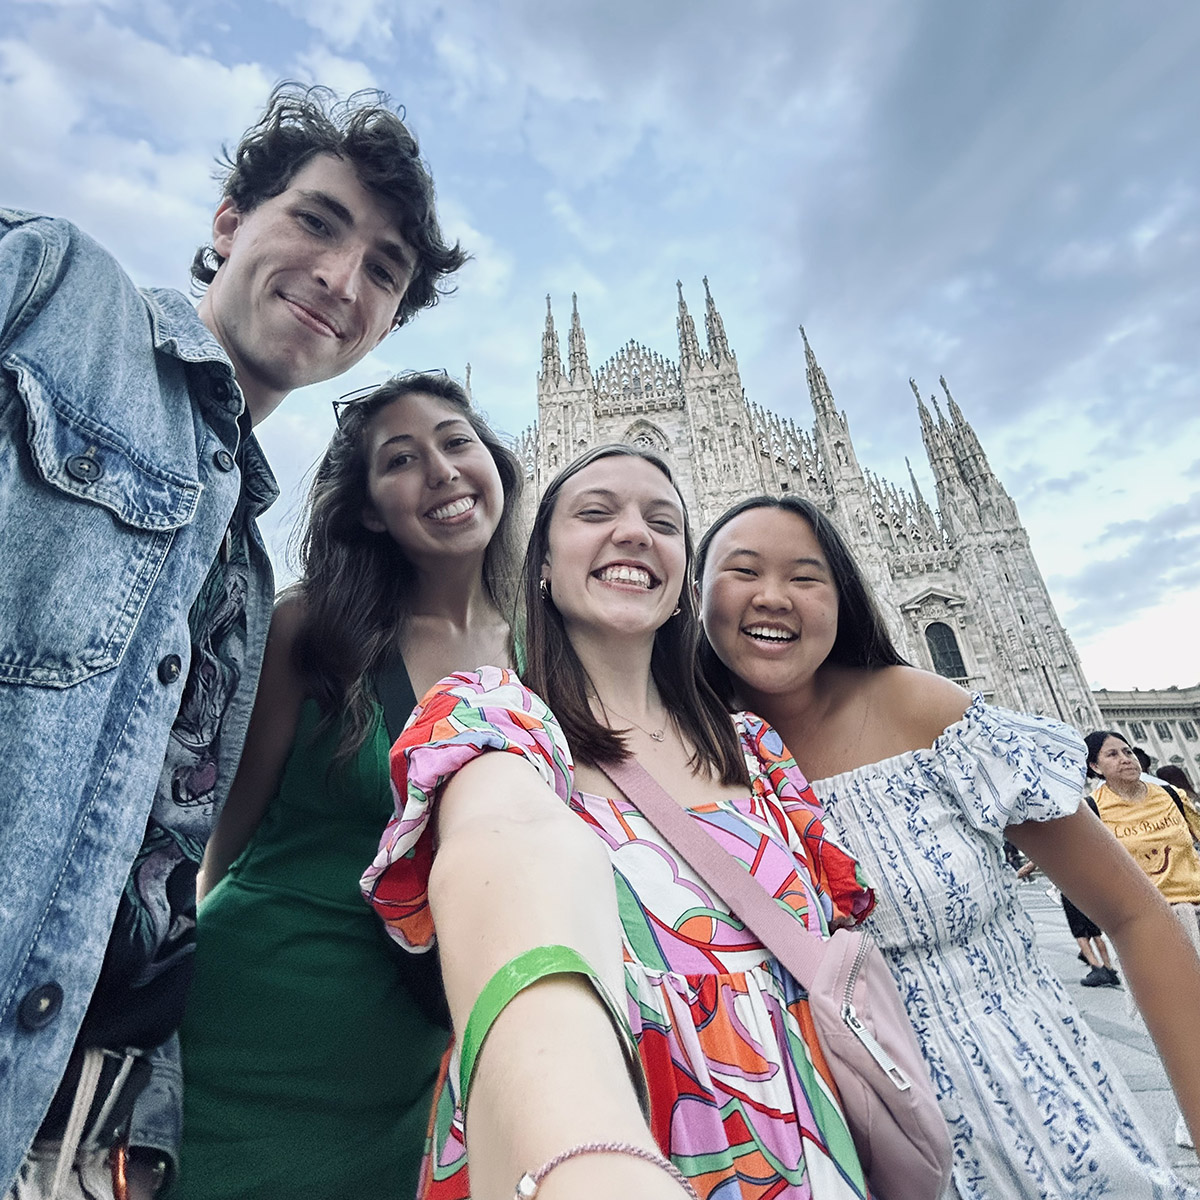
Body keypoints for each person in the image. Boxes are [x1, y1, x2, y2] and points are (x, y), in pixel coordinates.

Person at [0, 83, 466, 1198]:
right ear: (228, 223)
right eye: (316, 221)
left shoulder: (251, 581)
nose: (342, 279)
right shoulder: (57, 288)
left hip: (88, 1107)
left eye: (385, 270)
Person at [361, 445, 877, 1199]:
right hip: (609, 1135)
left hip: (812, 1152)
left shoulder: (760, 754)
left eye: (662, 521)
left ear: (685, 587)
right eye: (595, 512)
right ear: (540, 563)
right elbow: (508, 854)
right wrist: (578, 1146)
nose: (633, 532)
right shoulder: (493, 721)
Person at [695, 493, 1200, 1199]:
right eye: (741, 571)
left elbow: (1137, 917)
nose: (773, 597)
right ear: (695, 594)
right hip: (835, 1151)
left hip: (1041, 1128)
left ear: (844, 596)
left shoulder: (924, 709)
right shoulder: (685, 757)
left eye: (806, 577)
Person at [167, 373, 519, 1198]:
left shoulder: (550, 656)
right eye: (402, 459)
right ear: (367, 507)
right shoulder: (313, 627)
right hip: (244, 1021)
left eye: (456, 440)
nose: (441, 470)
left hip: (408, 1069)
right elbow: (228, 839)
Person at [1087, 729, 1200, 1150]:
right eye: (1112, 754)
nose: (1125, 758)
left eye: (1128, 751)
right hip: (1150, 925)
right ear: (1095, 767)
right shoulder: (1092, 810)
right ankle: (1191, 1117)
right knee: (1179, 1023)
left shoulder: (1169, 795)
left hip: (1196, 910)